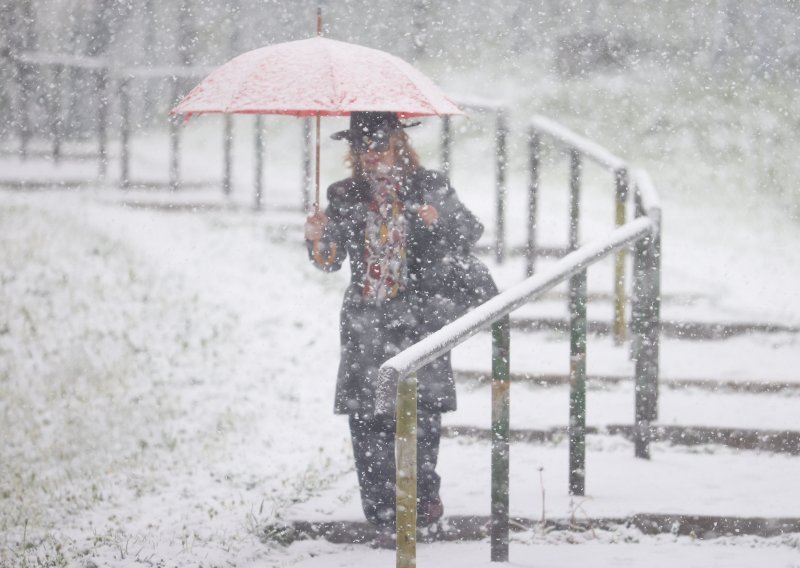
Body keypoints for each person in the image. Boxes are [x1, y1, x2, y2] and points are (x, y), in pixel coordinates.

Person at [304, 111, 496, 535]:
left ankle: (422, 497)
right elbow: (331, 261)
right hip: (365, 322)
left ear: (397, 143)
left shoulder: (430, 185)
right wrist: (317, 238)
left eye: (378, 144)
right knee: (367, 415)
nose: (370, 154)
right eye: (361, 146)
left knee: (422, 411)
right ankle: (382, 510)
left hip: (420, 317)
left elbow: (469, 231)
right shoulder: (345, 194)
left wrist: (436, 220)